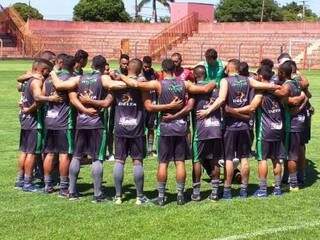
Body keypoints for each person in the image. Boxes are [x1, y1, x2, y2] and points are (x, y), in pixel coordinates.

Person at [120, 58, 216, 206]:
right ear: (175, 69)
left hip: (165, 128)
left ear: (163, 70)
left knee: (163, 163)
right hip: (181, 127)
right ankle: (180, 195)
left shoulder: (158, 84)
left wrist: (120, 76)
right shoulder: (185, 83)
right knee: (180, 162)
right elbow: (204, 89)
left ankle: (161, 196)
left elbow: (136, 86)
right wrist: (216, 81)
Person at [198, 59, 281, 199]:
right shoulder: (248, 79)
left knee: (229, 159)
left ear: (229, 68)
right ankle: (243, 189)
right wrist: (277, 86)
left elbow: (221, 99)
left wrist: (208, 111)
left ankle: (227, 190)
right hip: (245, 125)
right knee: (244, 158)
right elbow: (263, 84)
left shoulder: (225, 81)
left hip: (231, 125)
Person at [50, 55, 127, 202]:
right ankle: (97, 194)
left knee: (77, 156)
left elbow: (60, 86)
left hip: (81, 123)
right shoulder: (103, 79)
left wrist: (53, 72)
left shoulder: (79, 78)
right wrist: (117, 77)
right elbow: (120, 87)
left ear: (91, 65)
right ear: (104, 66)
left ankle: (72, 191)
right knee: (97, 158)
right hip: (97, 123)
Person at [15, 58, 56, 192]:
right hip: (34, 122)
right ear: (42, 70)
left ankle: (20, 180)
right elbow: (38, 98)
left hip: (25, 120)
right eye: (47, 71)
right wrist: (51, 98)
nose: (48, 73)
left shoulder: (27, 80)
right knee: (31, 153)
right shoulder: (37, 81)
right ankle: (28, 183)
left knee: (24, 151)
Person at [42, 54, 76, 196]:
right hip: (64, 122)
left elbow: (43, 97)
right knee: (64, 155)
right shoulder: (71, 79)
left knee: (49, 153)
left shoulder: (49, 79)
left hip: (49, 120)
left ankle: (47, 185)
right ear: (72, 66)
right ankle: (63, 188)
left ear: (61, 64)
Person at [191, 65, 224, 201]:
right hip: (216, 127)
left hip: (201, 129)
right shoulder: (216, 88)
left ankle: (197, 192)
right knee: (215, 160)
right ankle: (215, 192)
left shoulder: (194, 89)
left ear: (195, 76)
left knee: (197, 160)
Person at [142, 56, 158, 156]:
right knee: (141, 128)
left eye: (148, 67)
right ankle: (142, 148)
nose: (146, 68)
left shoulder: (154, 74)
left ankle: (150, 149)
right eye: (145, 66)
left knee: (151, 128)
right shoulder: (140, 73)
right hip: (142, 104)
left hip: (152, 104)